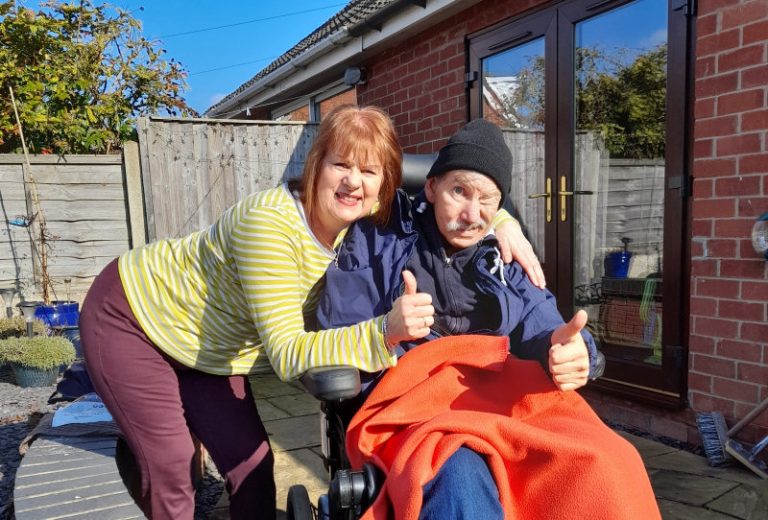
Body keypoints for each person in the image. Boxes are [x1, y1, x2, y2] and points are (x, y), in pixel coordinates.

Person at [78, 105, 541, 520]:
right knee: (172, 466)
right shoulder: (269, 226)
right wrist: (384, 332)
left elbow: (448, 198)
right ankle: (149, 464)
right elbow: (286, 353)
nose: (353, 181)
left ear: (385, 183)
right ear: (316, 164)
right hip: (134, 315)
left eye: (369, 170)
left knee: (254, 467)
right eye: (340, 164)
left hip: (210, 345)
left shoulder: (366, 209)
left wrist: (504, 220)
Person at [316, 119, 659, 519]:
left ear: (500, 207)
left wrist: (574, 351)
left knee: (610, 460)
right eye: (459, 192)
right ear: (431, 187)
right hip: (416, 409)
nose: (471, 215)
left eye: (488, 201)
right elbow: (336, 326)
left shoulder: (504, 256)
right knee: (459, 473)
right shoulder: (380, 238)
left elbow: (543, 320)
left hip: (500, 406)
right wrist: (387, 330)